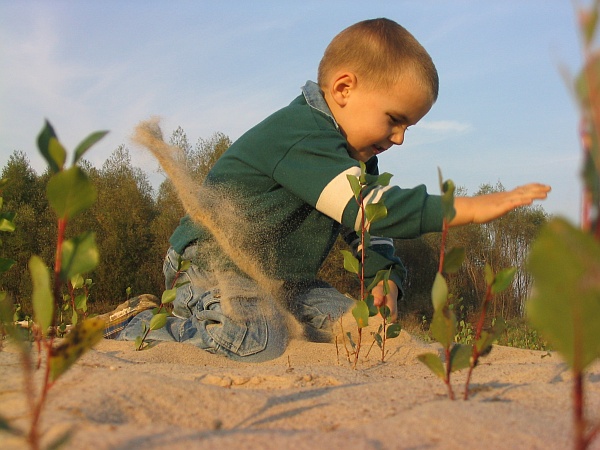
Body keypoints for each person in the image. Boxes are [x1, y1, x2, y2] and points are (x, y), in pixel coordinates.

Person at [109, 18, 550, 361]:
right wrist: (467, 208)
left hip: (285, 282)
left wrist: (386, 283)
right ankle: (138, 323)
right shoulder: (302, 135)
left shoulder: (358, 157)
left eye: (407, 126)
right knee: (255, 340)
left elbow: (370, 232)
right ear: (344, 88)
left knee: (367, 332)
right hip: (209, 267)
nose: (399, 138)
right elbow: (367, 207)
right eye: (394, 119)